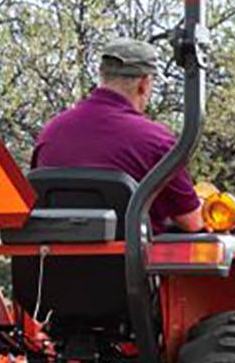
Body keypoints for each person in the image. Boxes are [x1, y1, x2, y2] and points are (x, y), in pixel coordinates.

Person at [31, 37, 204, 231]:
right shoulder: (156, 141)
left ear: (102, 76)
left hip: (53, 259)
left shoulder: (51, 133)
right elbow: (193, 222)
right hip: (131, 260)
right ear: (144, 84)